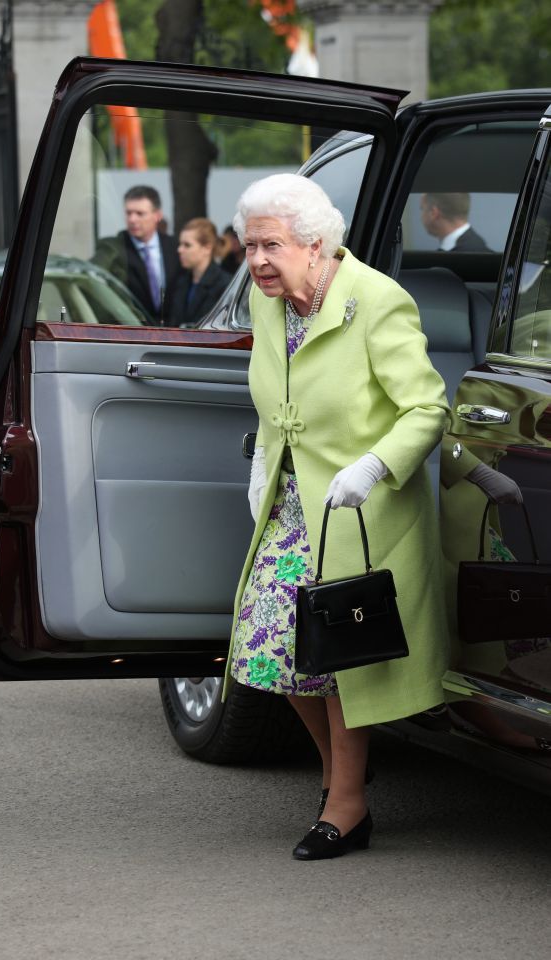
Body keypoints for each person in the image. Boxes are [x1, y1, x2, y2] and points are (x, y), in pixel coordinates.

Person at [224, 173, 451, 861]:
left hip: (359, 511)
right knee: (267, 654)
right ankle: (340, 772)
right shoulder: (271, 306)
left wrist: (374, 467)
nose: (257, 261)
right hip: (292, 506)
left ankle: (346, 805)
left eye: (271, 245)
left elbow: (427, 407)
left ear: (316, 244)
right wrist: (265, 462)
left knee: (337, 660)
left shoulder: (378, 302)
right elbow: (274, 396)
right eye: (248, 245)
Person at [92, 185, 181, 323]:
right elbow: (95, 271)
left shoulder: (174, 247)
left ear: (157, 216)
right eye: (128, 213)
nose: (132, 219)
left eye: (140, 213)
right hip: (132, 332)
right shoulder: (115, 247)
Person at [169, 219, 230, 326]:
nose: (179, 249)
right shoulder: (180, 282)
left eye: (187, 245)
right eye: (180, 244)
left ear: (207, 248)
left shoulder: (224, 285)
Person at [420, 192, 490, 251]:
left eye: (422, 208)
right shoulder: (478, 248)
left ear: (433, 213)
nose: (421, 215)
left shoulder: (466, 255)